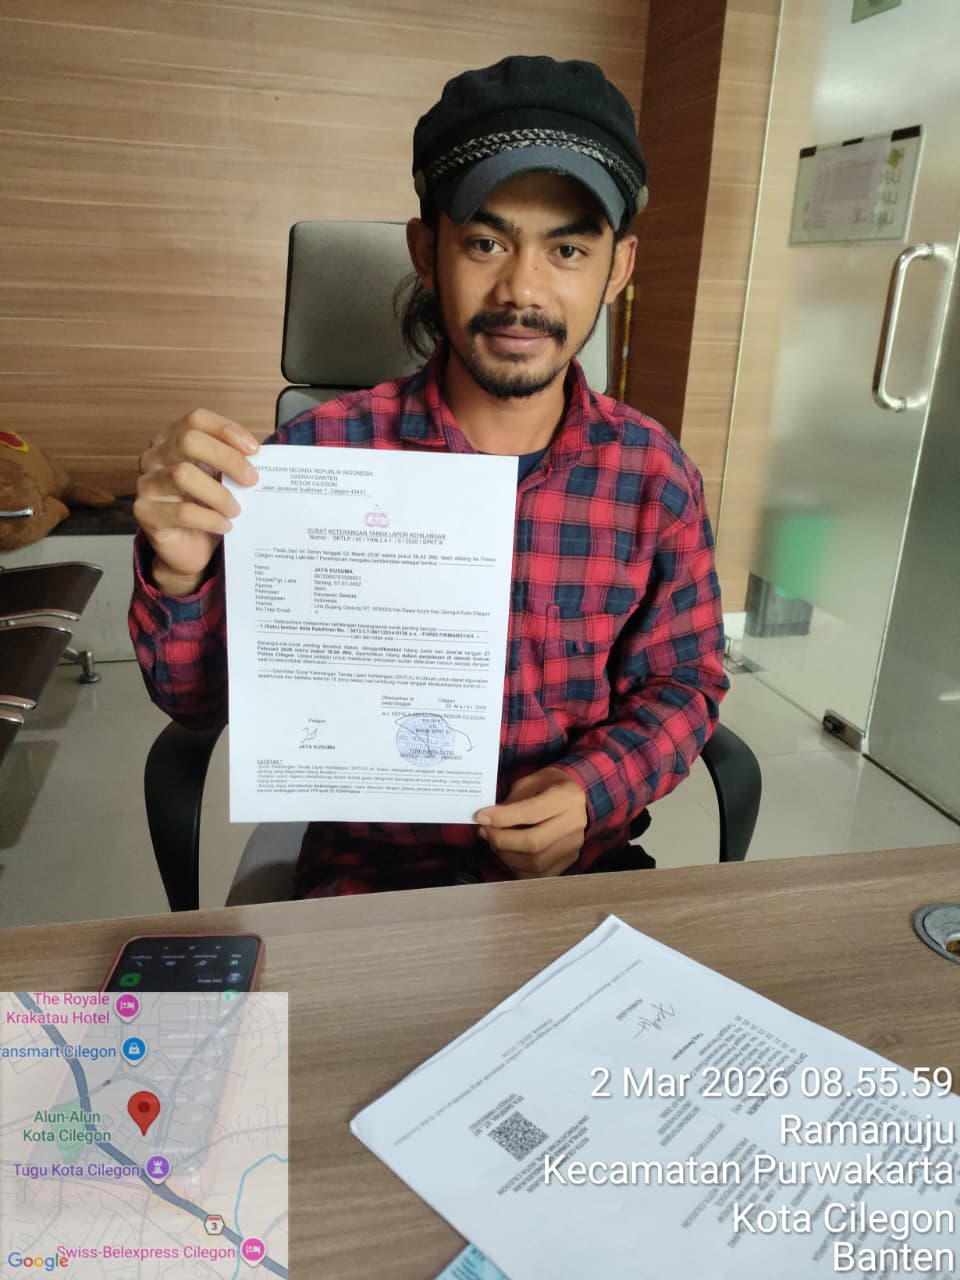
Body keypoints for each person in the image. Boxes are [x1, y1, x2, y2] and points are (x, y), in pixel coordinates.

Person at [130, 55, 728, 898]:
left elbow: (684, 679)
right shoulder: (316, 460)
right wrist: (179, 574)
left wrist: (588, 791)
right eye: (485, 243)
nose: (522, 290)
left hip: (578, 874)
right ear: (426, 251)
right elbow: (197, 705)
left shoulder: (653, 477)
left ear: (618, 269)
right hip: (372, 879)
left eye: (567, 249)